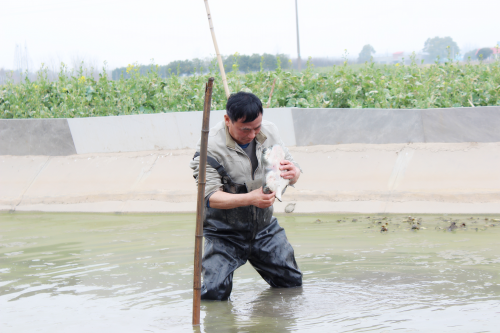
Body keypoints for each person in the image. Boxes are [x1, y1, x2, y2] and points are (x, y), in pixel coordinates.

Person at [190, 91, 302, 300]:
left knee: (291, 286)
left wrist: (294, 174)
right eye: (245, 130)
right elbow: (210, 197)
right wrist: (251, 198)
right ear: (227, 120)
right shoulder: (209, 147)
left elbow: (290, 166)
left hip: (264, 228)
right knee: (214, 295)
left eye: (256, 128)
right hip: (224, 233)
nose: (251, 135)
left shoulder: (270, 131)